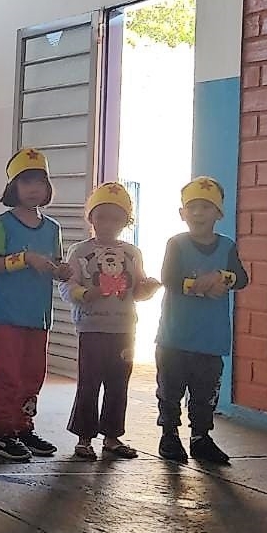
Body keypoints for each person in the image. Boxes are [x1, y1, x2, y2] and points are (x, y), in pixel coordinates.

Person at [0, 148, 73, 461]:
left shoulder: (53, 228)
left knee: (34, 374)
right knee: (7, 374)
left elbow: (56, 265)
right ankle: (3, 432)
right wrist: (23, 259)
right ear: (13, 187)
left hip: (39, 315)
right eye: (26, 181)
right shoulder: (3, 223)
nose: (34, 188)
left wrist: (63, 271)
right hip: (7, 314)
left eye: (40, 181)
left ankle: (24, 426)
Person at [60, 182, 159, 460]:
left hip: (124, 329)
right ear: (90, 217)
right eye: (101, 216)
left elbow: (136, 290)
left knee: (118, 384)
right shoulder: (79, 251)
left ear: (126, 221)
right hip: (91, 328)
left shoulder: (133, 253)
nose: (107, 224)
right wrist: (85, 294)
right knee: (89, 383)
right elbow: (67, 287)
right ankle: (84, 438)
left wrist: (149, 289)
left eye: (116, 218)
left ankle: (112, 437)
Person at [155, 176, 249, 465]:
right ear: (182, 213)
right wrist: (199, 286)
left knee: (205, 392)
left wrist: (221, 277)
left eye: (206, 207)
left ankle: (200, 437)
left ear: (218, 213)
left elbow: (241, 278)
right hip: (175, 336)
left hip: (211, 338)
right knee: (170, 390)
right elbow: (169, 278)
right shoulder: (177, 244)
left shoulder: (227, 246)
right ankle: (169, 434)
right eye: (192, 207)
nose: (198, 213)